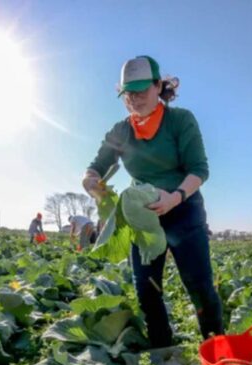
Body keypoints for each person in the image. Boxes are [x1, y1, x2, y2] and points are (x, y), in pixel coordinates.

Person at [82, 55, 223, 348]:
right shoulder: (120, 131)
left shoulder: (180, 120)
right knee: (147, 288)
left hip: (184, 209)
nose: (135, 99)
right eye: (129, 93)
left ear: (158, 86)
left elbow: (199, 169)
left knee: (199, 287)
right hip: (144, 216)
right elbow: (96, 165)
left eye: (142, 90)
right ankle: (163, 350)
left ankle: (216, 350)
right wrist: (90, 180)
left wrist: (175, 197)